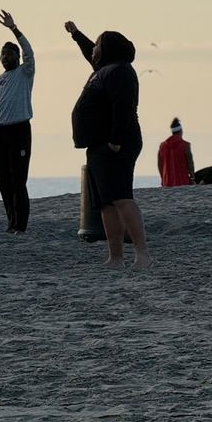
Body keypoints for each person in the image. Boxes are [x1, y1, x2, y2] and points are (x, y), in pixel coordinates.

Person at [67, 21, 151, 268]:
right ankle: (115, 257)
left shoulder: (120, 71)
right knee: (106, 203)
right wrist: (75, 35)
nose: (93, 50)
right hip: (98, 146)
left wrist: (115, 140)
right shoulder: (103, 69)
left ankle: (142, 254)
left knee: (122, 197)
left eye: (98, 46)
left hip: (116, 144)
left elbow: (124, 107)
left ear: (108, 49)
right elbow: (88, 51)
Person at [0, 10, 36, 233]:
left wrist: (14, 29)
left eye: (10, 54)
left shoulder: (25, 72)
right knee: (4, 180)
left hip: (20, 130)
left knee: (18, 180)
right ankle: (10, 221)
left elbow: (30, 52)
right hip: (0, 133)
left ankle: (20, 224)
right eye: (3, 55)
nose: (6, 57)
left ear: (17, 57)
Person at [158, 118, 195, 187]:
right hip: (182, 181)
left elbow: (160, 165)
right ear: (181, 131)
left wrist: (163, 179)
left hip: (167, 182)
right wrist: (192, 178)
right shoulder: (185, 145)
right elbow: (190, 164)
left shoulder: (162, 146)